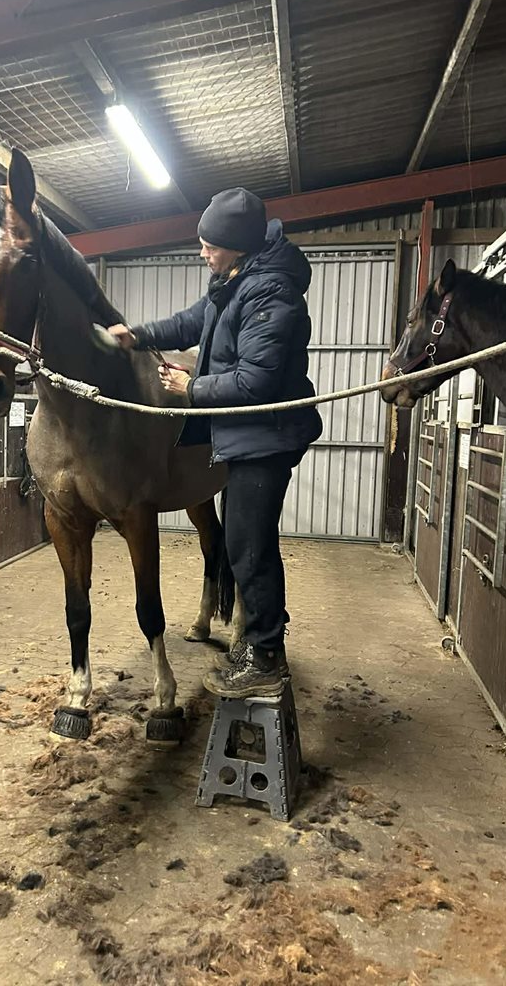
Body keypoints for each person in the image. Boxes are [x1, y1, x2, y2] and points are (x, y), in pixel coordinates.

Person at [108, 187, 322, 698]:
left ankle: (265, 657)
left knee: (250, 548)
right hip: (245, 436)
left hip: (266, 438)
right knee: (243, 544)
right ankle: (258, 644)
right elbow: (191, 321)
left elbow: (256, 382)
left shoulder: (270, 293)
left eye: (210, 245)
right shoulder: (235, 279)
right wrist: (139, 335)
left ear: (236, 245)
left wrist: (192, 388)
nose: (202, 252)